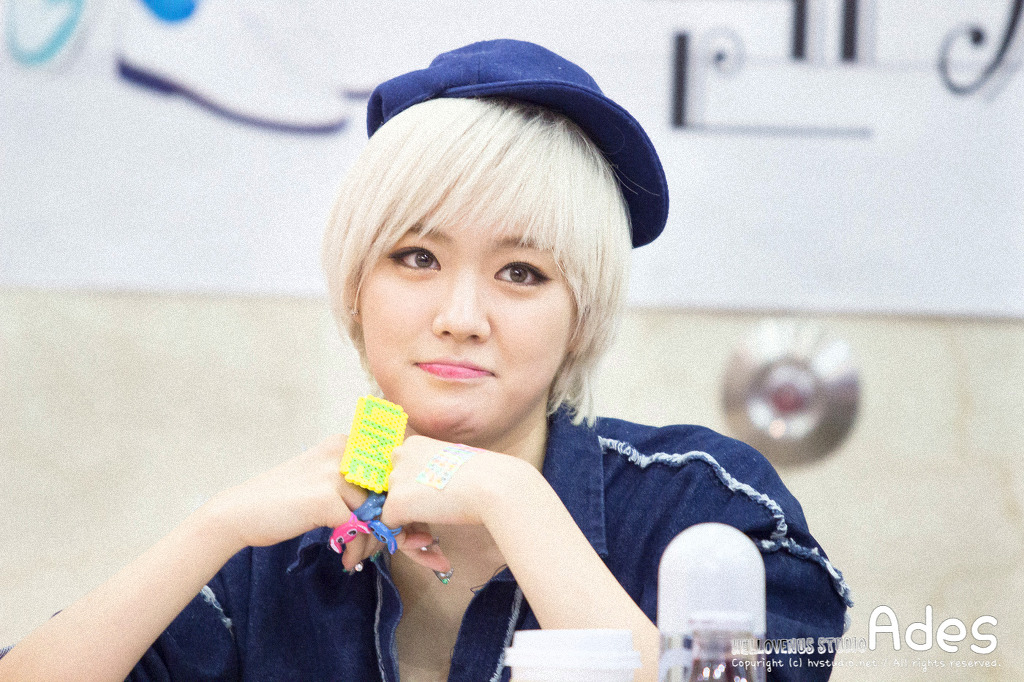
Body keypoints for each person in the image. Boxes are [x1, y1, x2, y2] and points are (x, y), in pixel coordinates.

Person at [0, 39, 850, 682]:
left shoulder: (703, 508)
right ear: (355, 288)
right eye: (416, 258)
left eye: (522, 273)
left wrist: (514, 501)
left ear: (580, 315)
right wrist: (212, 528)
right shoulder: (279, 552)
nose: (460, 318)